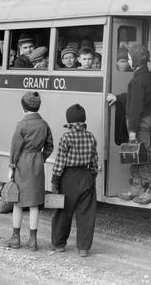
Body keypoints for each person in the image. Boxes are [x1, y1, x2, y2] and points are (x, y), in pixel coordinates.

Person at [5, 91, 54, 251]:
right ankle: (33, 241)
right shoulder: (44, 124)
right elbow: (50, 145)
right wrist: (41, 158)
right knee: (34, 204)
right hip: (37, 164)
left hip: (22, 164)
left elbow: (15, 148)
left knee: (18, 203)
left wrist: (11, 167)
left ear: (23, 107)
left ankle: (16, 238)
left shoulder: (22, 125)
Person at [108, 44, 151, 204]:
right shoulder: (145, 76)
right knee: (137, 154)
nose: (127, 60)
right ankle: (137, 188)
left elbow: (135, 107)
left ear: (135, 59)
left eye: (129, 57)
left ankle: (148, 189)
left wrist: (132, 131)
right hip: (144, 121)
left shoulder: (138, 79)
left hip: (139, 123)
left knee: (142, 155)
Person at [51, 104, 98, 257]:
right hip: (86, 175)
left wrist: (55, 180)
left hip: (69, 177)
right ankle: (83, 248)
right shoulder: (90, 136)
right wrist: (92, 175)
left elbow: (60, 161)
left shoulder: (66, 137)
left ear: (69, 120)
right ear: (83, 120)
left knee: (64, 211)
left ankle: (59, 244)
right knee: (86, 213)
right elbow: (94, 161)